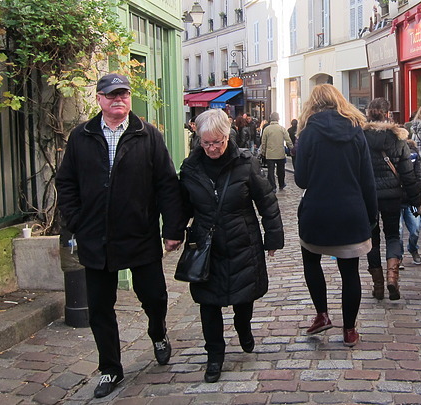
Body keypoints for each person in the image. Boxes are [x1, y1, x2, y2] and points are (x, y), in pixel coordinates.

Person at [56, 73, 185, 399]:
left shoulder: (148, 136)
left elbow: (167, 186)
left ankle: (158, 331)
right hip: (96, 240)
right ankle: (110, 368)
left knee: (154, 297)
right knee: (100, 309)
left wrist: (172, 230)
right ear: (99, 98)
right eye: (112, 95)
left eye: (124, 94)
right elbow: (66, 183)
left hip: (139, 234)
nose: (119, 100)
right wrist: (77, 221)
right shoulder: (81, 137)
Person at [176, 109, 284, 382]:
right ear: (199, 140)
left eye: (217, 142)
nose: (212, 148)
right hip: (206, 246)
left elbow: (266, 200)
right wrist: (173, 232)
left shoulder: (245, 163)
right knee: (208, 304)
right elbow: (181, 206)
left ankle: (243, 328)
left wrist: (273, 236)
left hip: (242, 242)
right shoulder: (190, 168)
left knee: (243, 298)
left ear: (227, 137)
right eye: (206, 143)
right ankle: (214, 356)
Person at [294, 84, 378, 347]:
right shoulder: (355, 130)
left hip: (317, 211)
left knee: (311, 260)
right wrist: (371, 215)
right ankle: (349, 330)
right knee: (349, 272)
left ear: (312, 104)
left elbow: (301, 179)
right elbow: (367, 178)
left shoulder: (308, 132)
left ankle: (322, 314)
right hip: (350, 212)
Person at [362, 98, 421, 301]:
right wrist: (415, 199)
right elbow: (408, 173)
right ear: (388, 115)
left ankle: (378, 285)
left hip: (368, 196)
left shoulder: (360, 138)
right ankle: (392, 279)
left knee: (371, 238)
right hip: (392, 196)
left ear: (368, 113)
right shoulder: (398, 139)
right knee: (393, 236)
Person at [399, 137, 421, 265]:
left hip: (411, 200)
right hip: (396, 199)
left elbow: (419, 176)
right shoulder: (391, 154)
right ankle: (398, 256)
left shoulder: (413, 155)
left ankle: (413, 248)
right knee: (398, 230)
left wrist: (417, 196)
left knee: (415, 228)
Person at [260, 112, 293, 191]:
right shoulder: (281, 128)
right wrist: (292, 148)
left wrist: (263, 152)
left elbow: (263, 142)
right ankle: (281, 184)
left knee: (270, 171)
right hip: (280, 153)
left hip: (270, 154)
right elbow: (288, 140)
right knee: (281, 170)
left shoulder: (267, 129)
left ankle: (272, 186)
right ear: (278, 118)